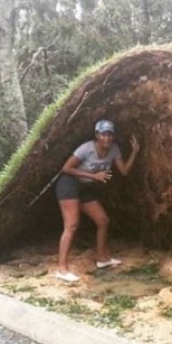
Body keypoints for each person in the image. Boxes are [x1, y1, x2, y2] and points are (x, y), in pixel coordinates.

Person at [53, 119, 140, 283]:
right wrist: (94, 176)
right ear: (97, 135)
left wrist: (135, 152)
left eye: (110, 134)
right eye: (103, 134)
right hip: (68, 184)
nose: (107, 138)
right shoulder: (86, 148)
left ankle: (102, 259)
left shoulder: (114, 149)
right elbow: (66, 168)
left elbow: (124, 171)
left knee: (103, 220)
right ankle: (61, 269)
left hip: (85, 188)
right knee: (71, 225)